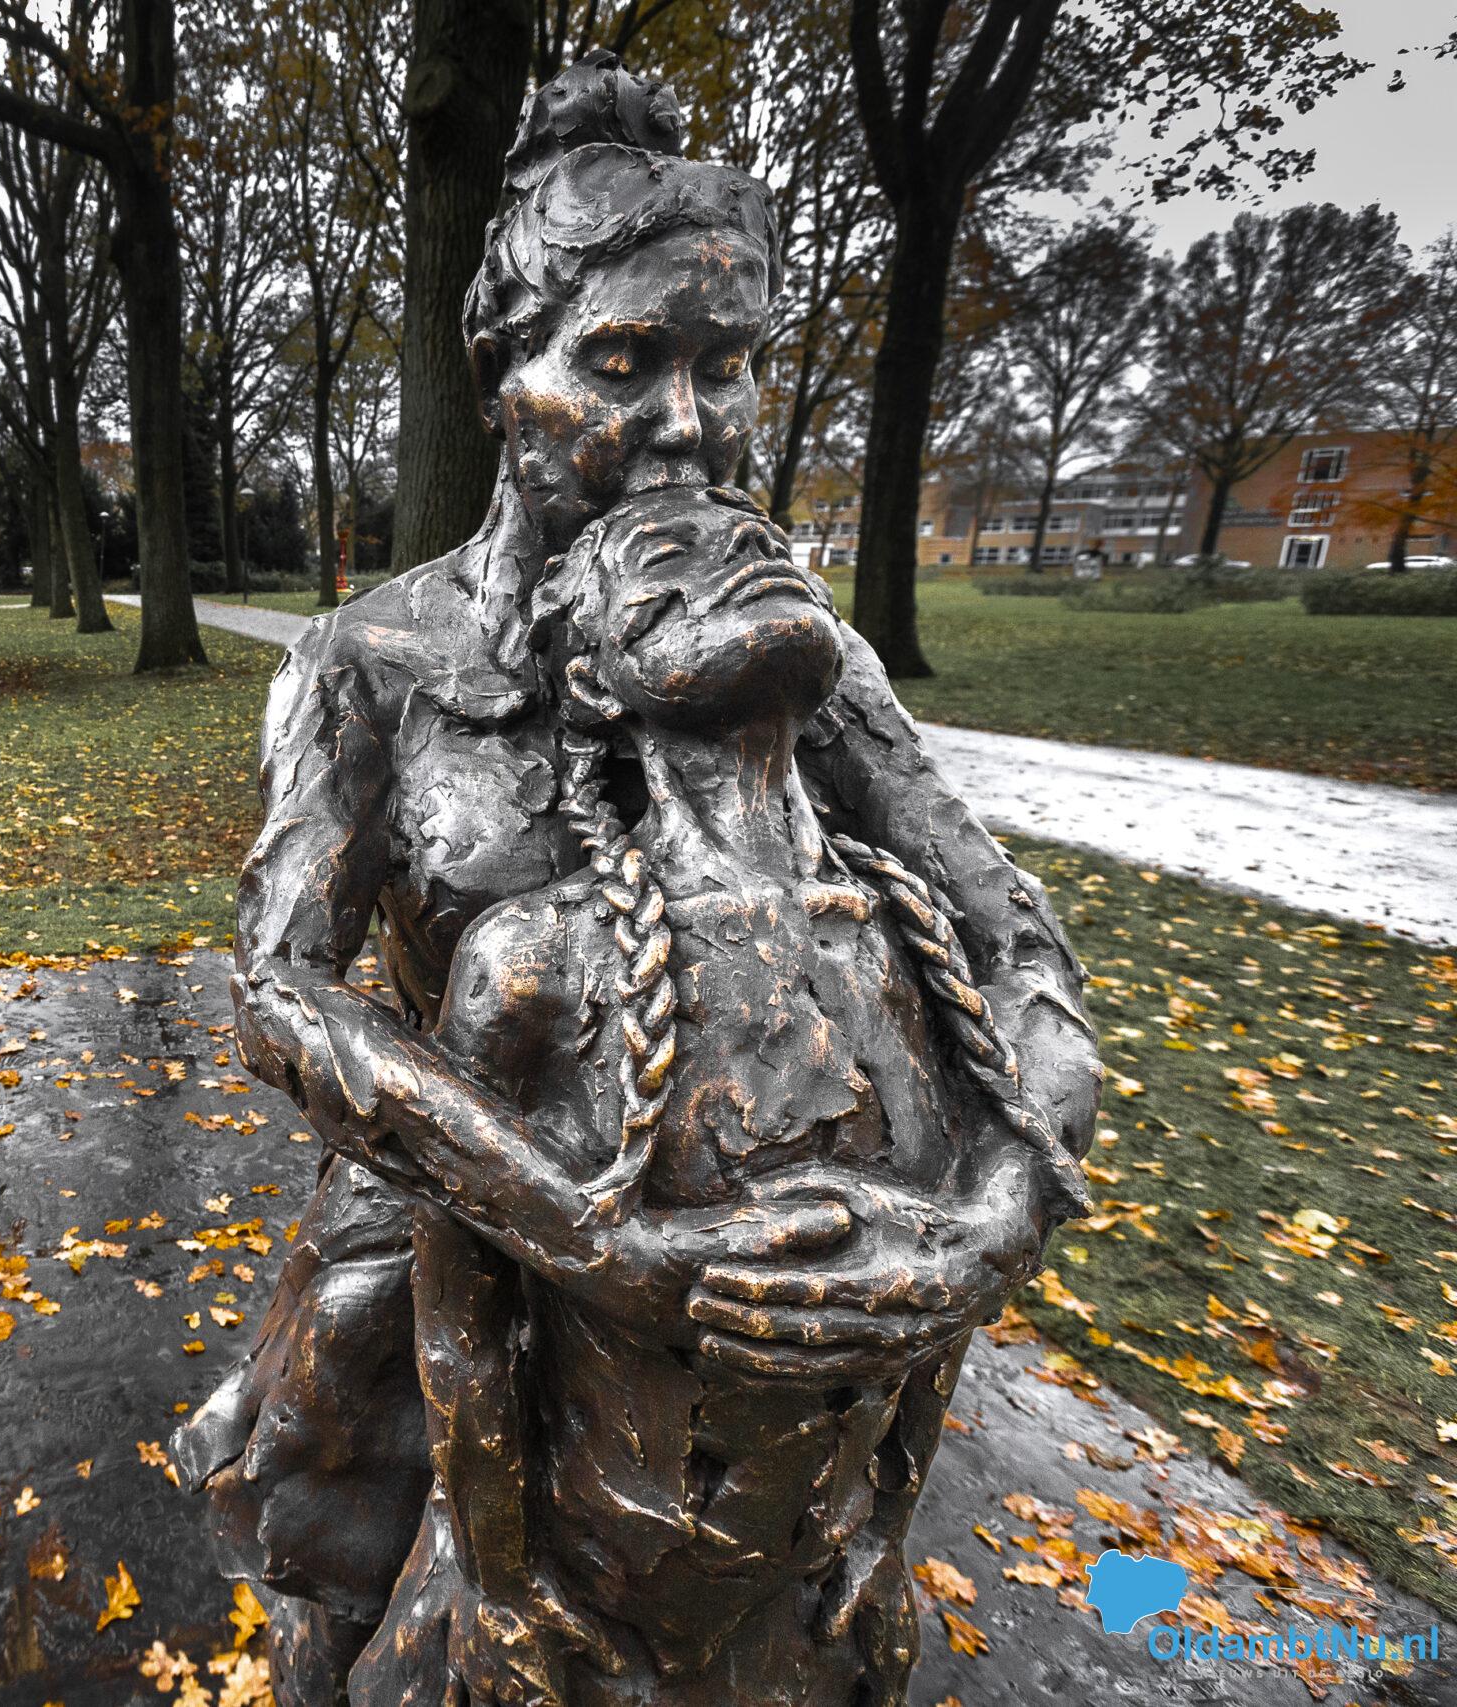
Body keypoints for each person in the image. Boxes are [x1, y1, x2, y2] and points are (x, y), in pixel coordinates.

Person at [170, 53, 1099, 1707]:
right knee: (335, 1483)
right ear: (499, 375)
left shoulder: (795, 644)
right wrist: (567, 1228)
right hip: (455, 1189)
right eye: (623, 362)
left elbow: (1007, 926)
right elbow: (273, 983)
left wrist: (995, 1218)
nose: (690, 422)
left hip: (743, 1212)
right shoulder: (372, 659)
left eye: (729, 367)